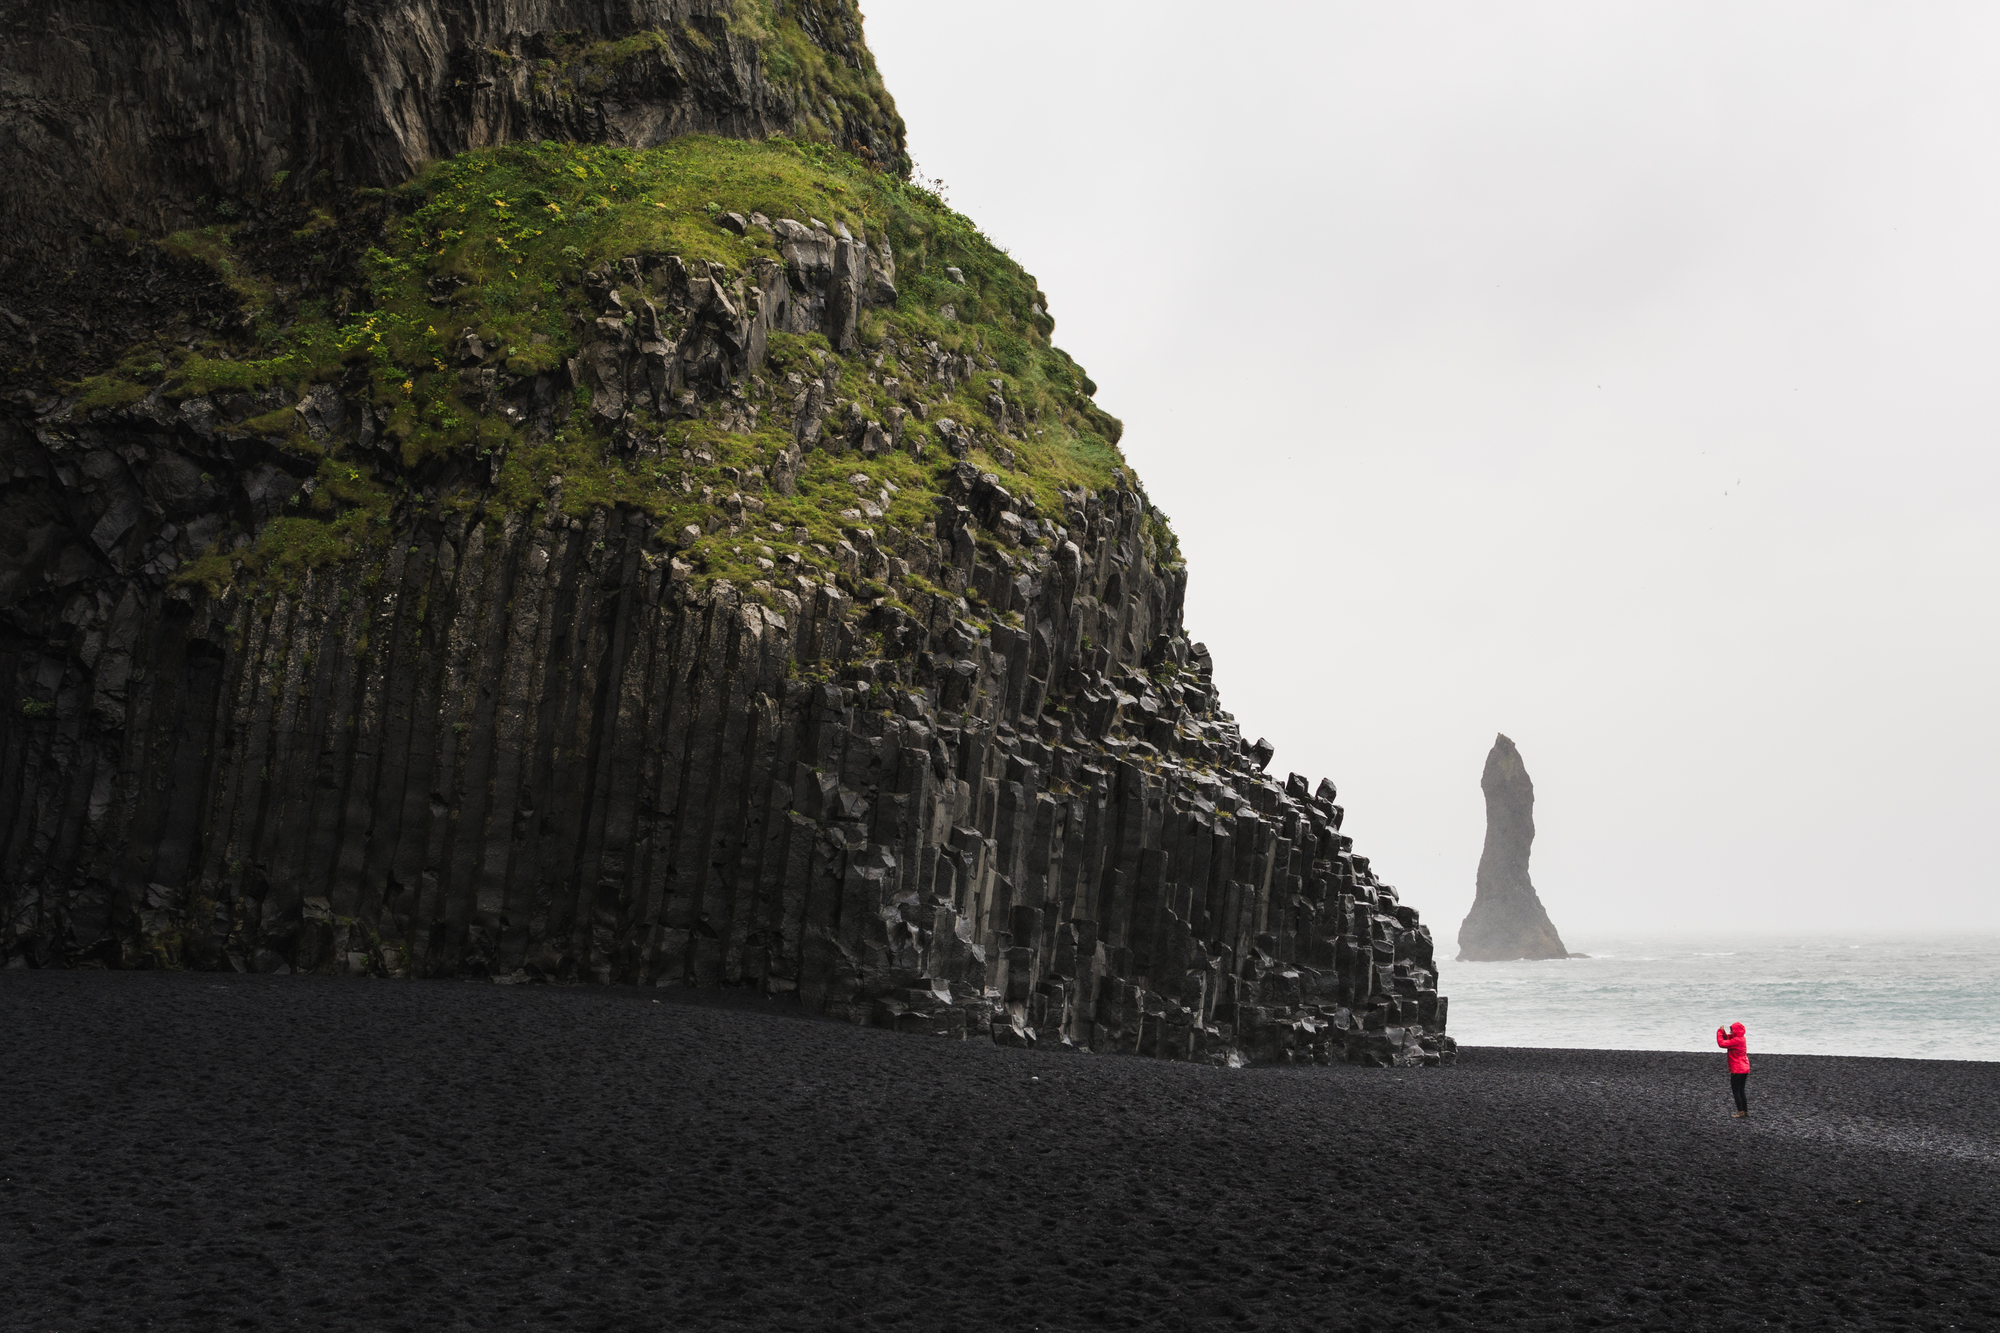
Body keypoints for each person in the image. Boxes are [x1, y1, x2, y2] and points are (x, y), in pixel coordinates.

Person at [1715, 1021, 1750, 1118]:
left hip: (1737, 1069)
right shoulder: (1741, 1039)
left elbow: (1722, 1043)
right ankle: (1745, 1111)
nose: (1731, 1032)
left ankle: (1740, 1111)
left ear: (1735, 1031)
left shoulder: (1736, 1041)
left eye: (1731, 1030)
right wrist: (1724, 1033)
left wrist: (1719, 1032)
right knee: (1741, 1090)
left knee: (1736, 1090)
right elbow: (1728, 1039)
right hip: (1745, 1068)